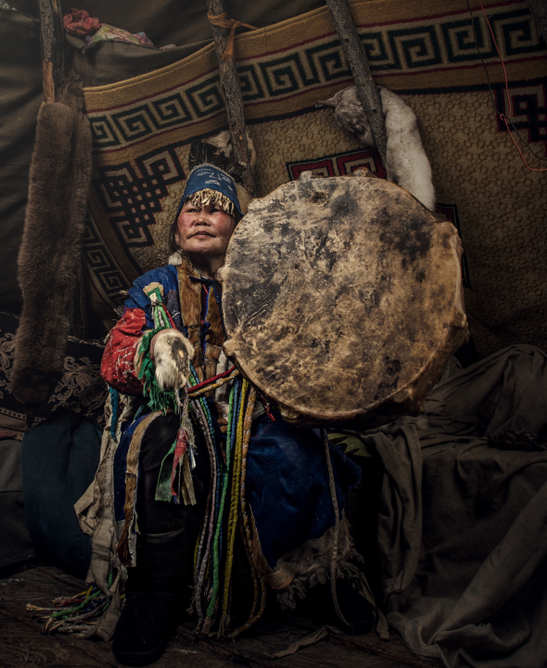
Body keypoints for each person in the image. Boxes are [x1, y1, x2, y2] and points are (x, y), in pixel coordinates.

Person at [74, 160, 375, 666]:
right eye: (191, 208)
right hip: (174, 415)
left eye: (217, 210)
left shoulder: (266, 285)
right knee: (165, 446)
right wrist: (155, 351)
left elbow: (303, 358)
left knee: (296, 460)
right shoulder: (154, 285)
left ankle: (305, 576)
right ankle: (154, 593)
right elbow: (115, 358)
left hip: (252, 417)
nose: (201, 216)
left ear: (239, 226)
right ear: (176, 225)